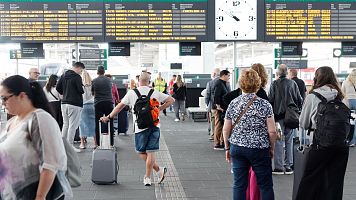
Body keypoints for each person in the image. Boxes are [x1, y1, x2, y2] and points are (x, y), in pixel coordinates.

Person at [0, 75, 71, 199]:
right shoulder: (13, 121)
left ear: (22, 96)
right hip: (13, 193)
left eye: (5, 98)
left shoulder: (40, 119)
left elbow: (51, 163)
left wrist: (40, 196)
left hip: (31, 192)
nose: (2, 103)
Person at [100, 72, 174, 186]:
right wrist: (160, 108)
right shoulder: (155, 92)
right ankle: (158, 171)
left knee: (141, 152)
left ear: (139, 81)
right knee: (151, 151)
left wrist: (108, 117)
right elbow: (171, 100)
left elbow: (119, 107)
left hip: (140, 127)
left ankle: (148, 177)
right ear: (149, 81)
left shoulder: (131, 93)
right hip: (155, 125)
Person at [297, 66, 349, 200]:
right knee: (335, 182)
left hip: (319, 144)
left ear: (317, 78)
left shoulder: (312, 96)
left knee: (310, 179)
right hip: (340, 145)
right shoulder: (341, 96)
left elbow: (303, 123)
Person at [223, 69, 276, 200]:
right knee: (265, 185)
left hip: (237, 147)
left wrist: (227, 147)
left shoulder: (233, 103)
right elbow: (272, 131)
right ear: (258, 84)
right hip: (259, 149)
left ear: (241, 84)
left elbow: (225, 129)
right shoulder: (265, 105)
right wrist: (272, 147)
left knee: (239, 185)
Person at [268, 64, 303, 175]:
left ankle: (279, 167)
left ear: (278, 73)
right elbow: (299, 99)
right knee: (289, 140)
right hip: (291, 116)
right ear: (287, 72)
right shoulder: (293, 83)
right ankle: (288, 166)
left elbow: (270, 100)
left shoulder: (274, 83)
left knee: (278, 140)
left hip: (278, 116)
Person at [56, 62, 85, 153]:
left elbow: (57, 88)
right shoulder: (77, 77)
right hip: (75, 103)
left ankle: (62, 146)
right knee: (73, 125)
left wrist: (65, 93)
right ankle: (70, 146)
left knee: (66, 124)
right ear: (78, 68)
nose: (81, 72)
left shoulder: (63, 75)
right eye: (81, 70)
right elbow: (80, 90)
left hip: (64, 103)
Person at [92, 66, 114, 147]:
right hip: (109, 102)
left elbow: (92, 93)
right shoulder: (109, 80)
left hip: (98, 103)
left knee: (97, 123)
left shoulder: (94, 81)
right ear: (104, 72)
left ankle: (98, 143)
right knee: (110, 121)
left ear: (97, 72)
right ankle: (111, 143)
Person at [213, 69, 231, 150]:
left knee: (222, 124)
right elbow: (216, 96)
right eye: (228, 75)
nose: (229, 77)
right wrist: (218, 106)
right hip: (219, 109)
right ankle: (217, 144)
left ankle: (221, 142)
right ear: (223, 75)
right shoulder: (219, 84)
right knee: (219, 125)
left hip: (223, 108)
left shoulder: (223, 83)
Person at [79, 70, 96, 149]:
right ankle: (95, 143)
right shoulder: (93, 85)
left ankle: (82, 143)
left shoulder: (80, 86)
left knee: (82, 124)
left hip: (83, 106)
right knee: (93, 124)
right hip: (92, 106)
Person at [342, 69, 356, 147]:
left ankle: (351, 140)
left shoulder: (345, 82)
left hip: (348, 103)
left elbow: (342, 92)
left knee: (350, 122)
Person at [205, 68, 220, 141]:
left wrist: (207, 104)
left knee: (213, 121)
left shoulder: (210, 83)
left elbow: (207, 95)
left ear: (214, 74)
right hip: (222, 106)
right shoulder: (226, 82)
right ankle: (220, 137)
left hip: (213, 105)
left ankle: (213, 135)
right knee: (220, 121)